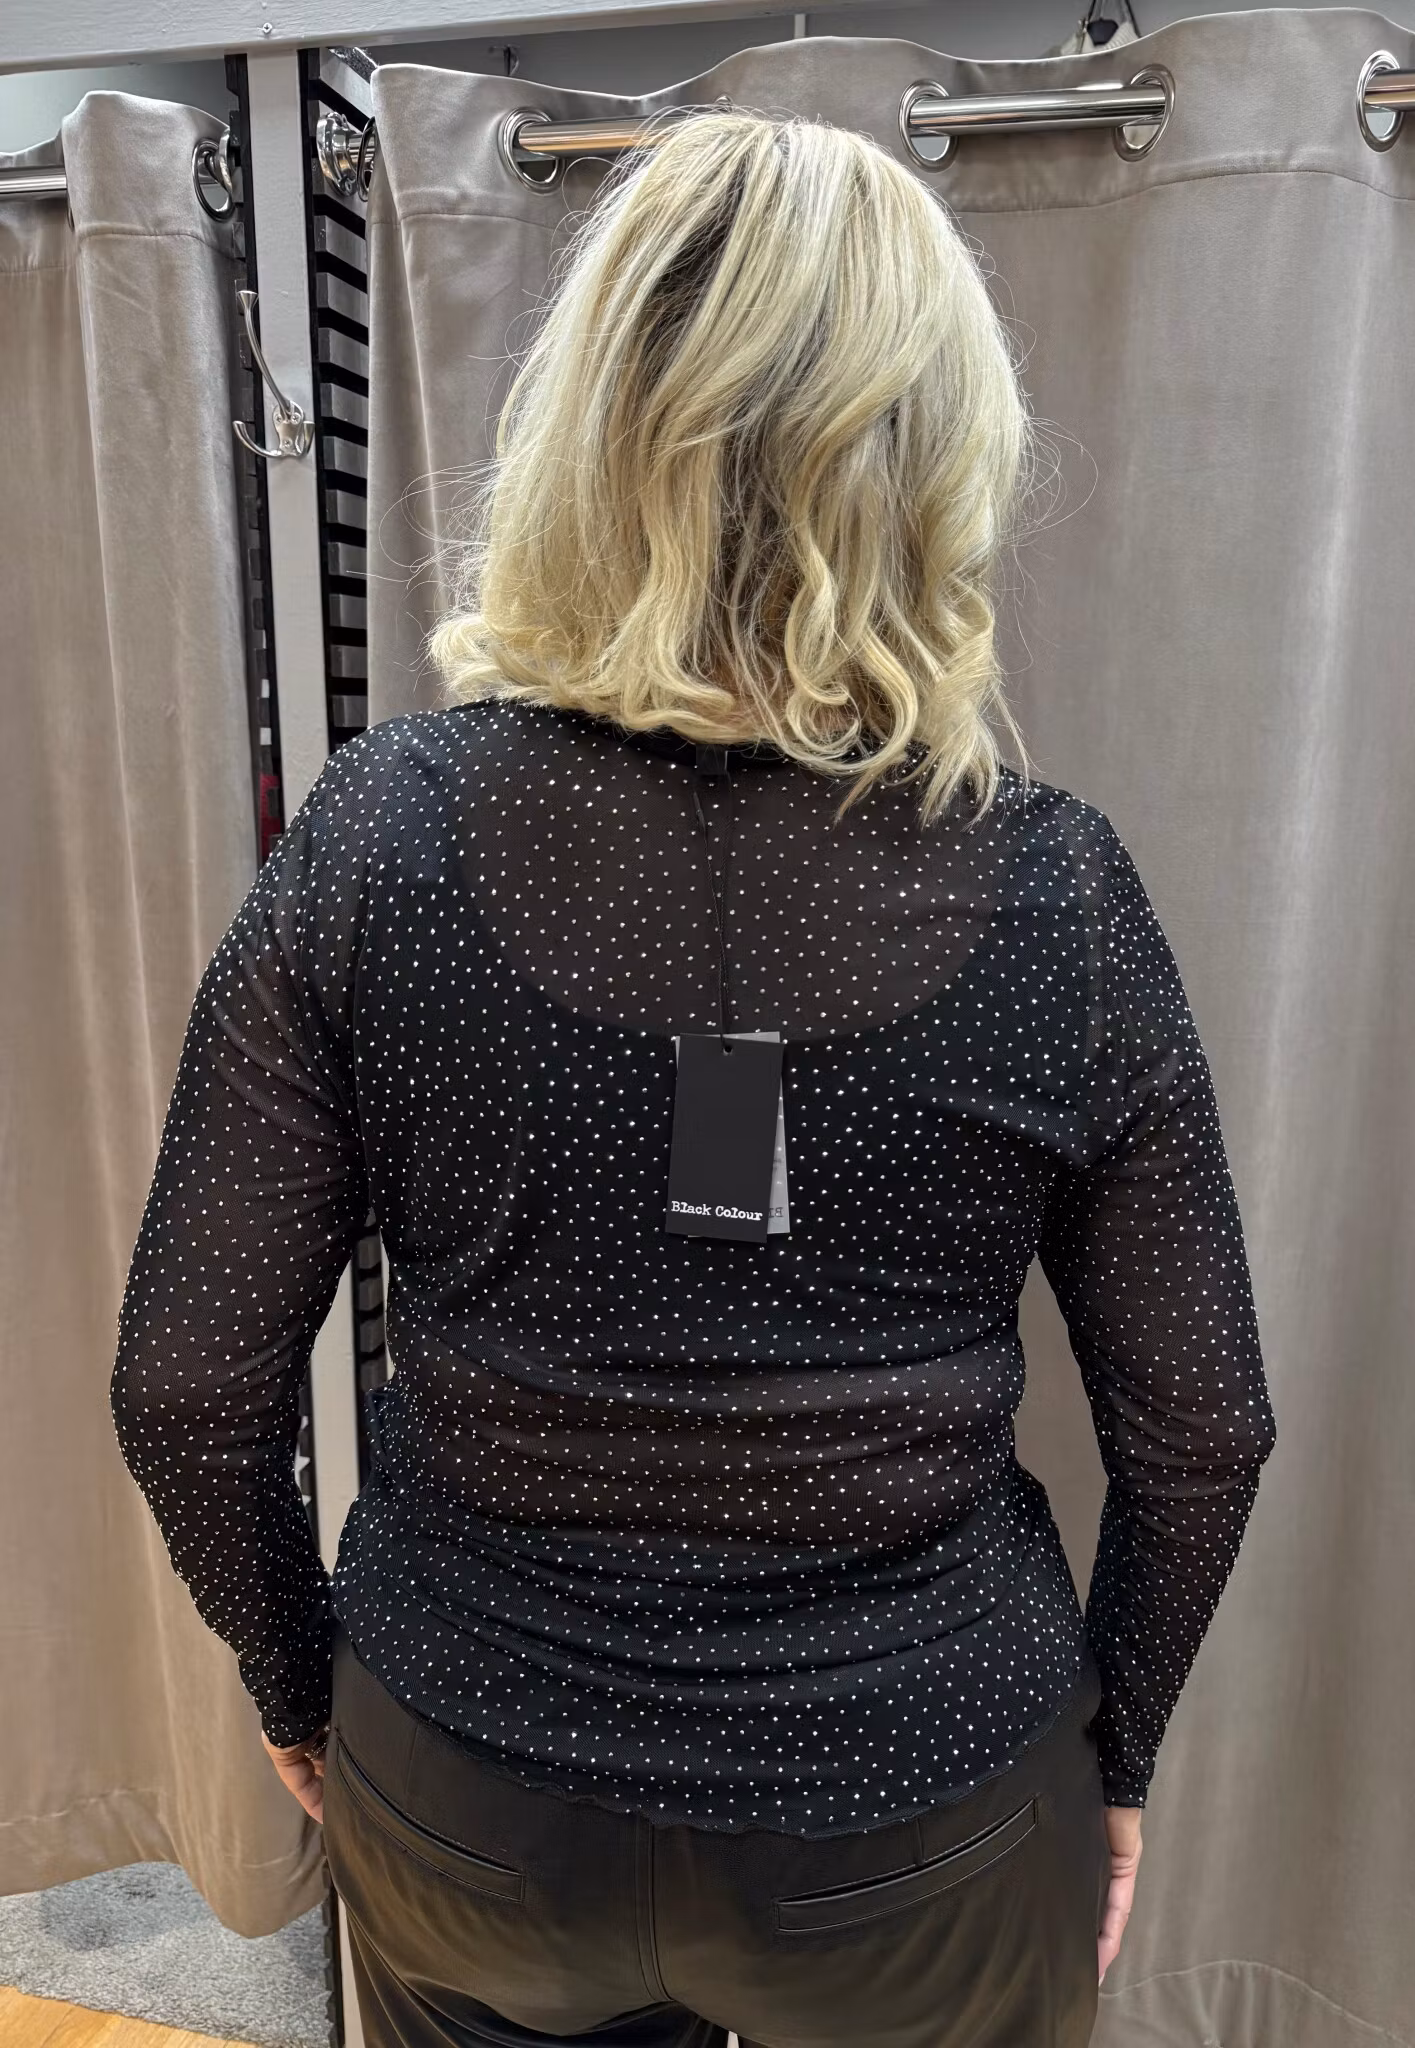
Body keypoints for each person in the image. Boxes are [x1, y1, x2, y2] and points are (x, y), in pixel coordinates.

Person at [111, 107, 1276, 2048]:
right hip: (917, 1804)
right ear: (939, 460)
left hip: (467, 1781)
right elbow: (1207, 1429)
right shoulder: (1053, 889)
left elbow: (186, 1387)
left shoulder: (380, 835)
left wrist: (302, 1689)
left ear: (585, 432)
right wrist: (1122, 1749)